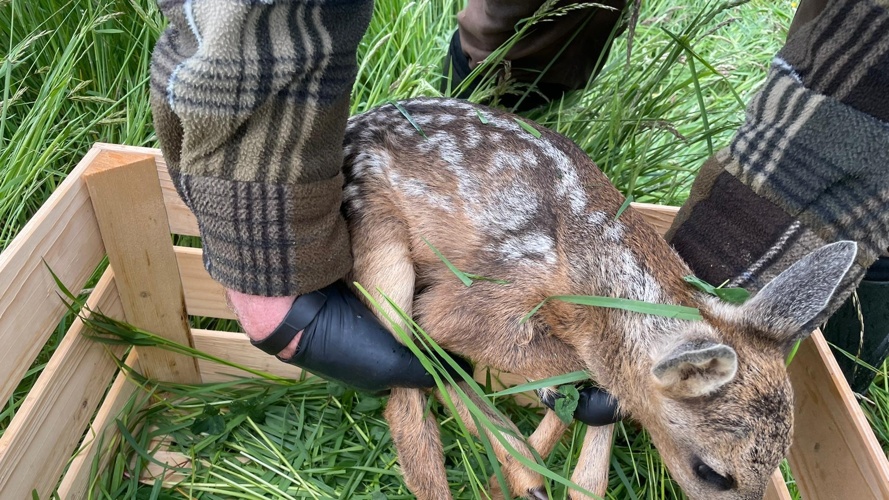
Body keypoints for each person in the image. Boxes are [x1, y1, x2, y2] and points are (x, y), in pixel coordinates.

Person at [149, 0, 888, 423]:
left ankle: (839, 389)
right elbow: (452, 321)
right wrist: (259, 230)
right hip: (397, 183)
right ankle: (493, 81)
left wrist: (736, 274)